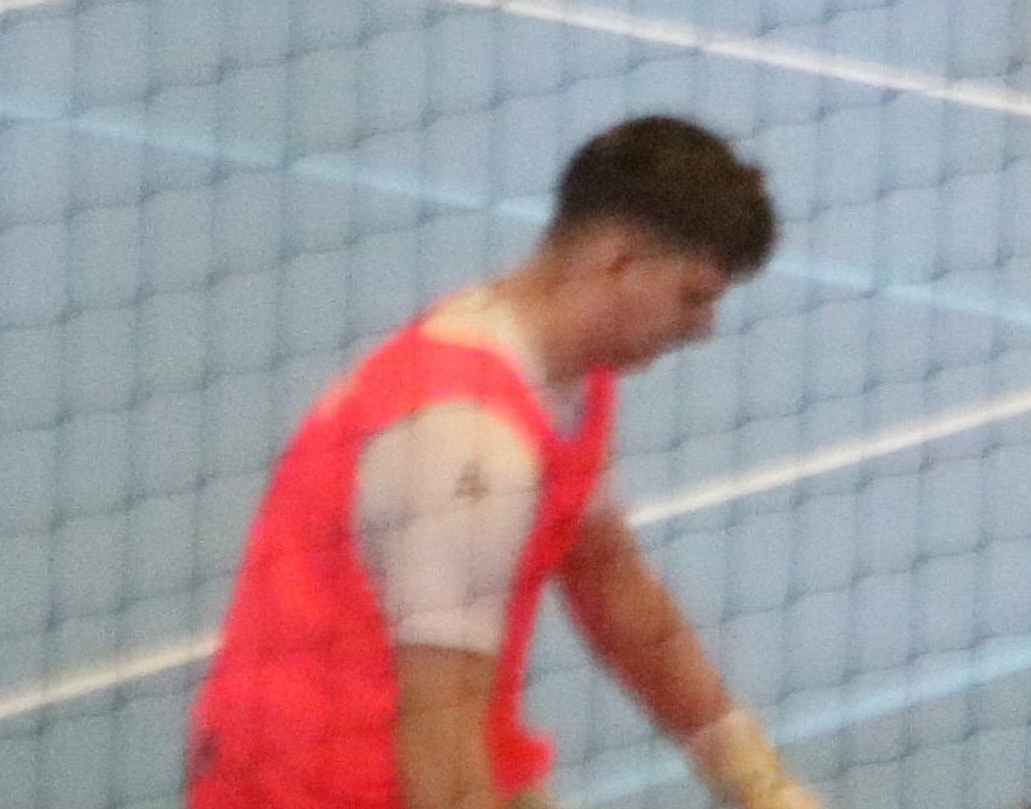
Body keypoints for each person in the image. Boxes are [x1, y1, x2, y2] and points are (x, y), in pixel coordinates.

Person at [189, 119, 822, 809]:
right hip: (324, 785)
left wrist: (756, 779)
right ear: (618, 260)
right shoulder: (467, 439)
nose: (703, 328)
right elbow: (439, 734)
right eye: (693, 296)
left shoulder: (563, 376)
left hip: (441, 747)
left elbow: (610, 581)